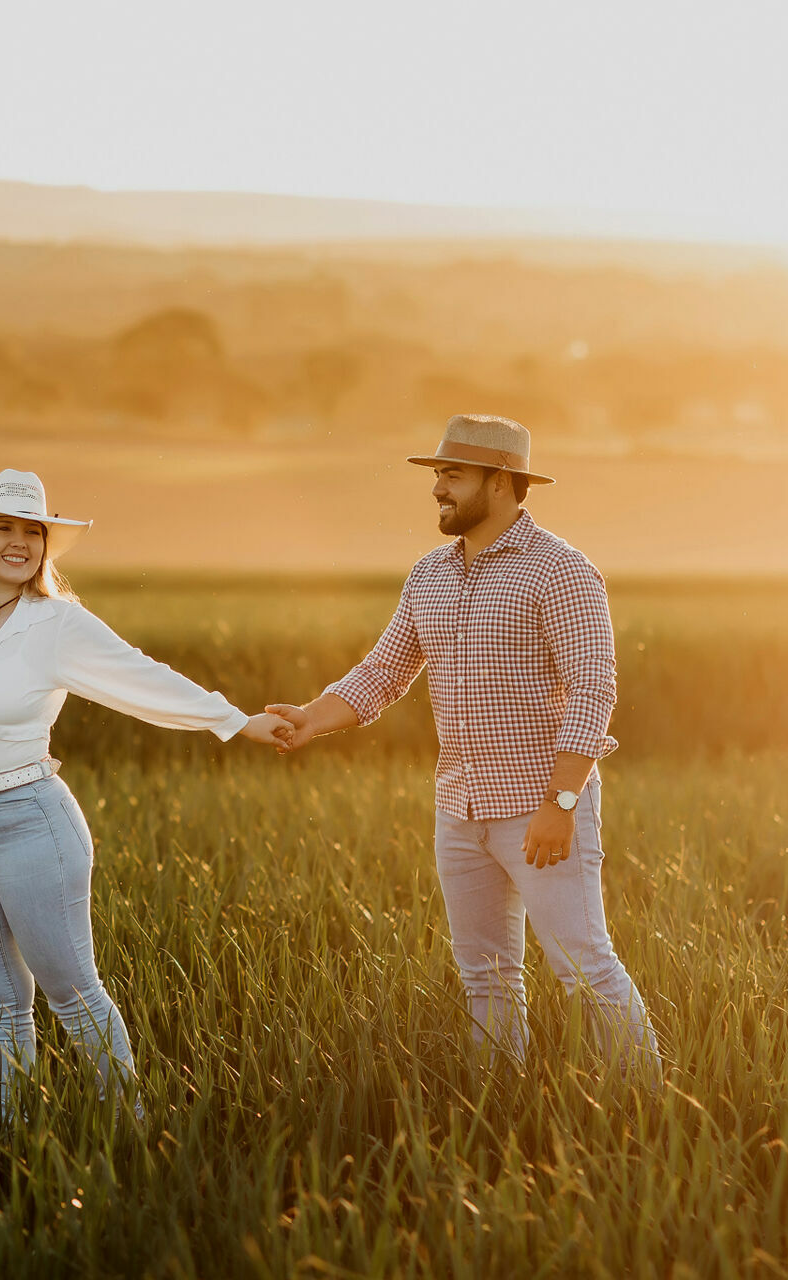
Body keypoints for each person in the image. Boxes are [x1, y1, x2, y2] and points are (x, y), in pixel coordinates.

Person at [0, 468, 290, 1123]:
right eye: (4, 529)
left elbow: (140, 677)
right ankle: (8, 1141)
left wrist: (234, 720)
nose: (20, 543)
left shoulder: (56, 625)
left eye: (33, 532)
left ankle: (128, 1129)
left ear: (45, 547)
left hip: (31, 826)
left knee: (72, 994)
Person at [266, 415, 661, 1079]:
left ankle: (647, 1113)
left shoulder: (562, 572)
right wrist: (310, 718)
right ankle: (499, 1110)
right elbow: (382, 673)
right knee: (486, 978)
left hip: (542, 810)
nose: (437, 489)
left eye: (452, 475)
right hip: (460, 810)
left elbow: (593, 695)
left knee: (584, 971)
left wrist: (561, 802)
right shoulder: (429, 576)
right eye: (437, 476)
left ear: (502, 483)